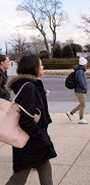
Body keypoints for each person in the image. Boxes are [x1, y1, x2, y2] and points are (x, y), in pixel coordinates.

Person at [6, 54, 57, 185]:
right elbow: (25, 120)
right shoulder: (30, 87)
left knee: (45, 170)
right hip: (30, 141)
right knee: (18, 178)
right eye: (40, 64)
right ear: (33, 67)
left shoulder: (33, 85)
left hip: (36, 140)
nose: (43, 66)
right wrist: (40, 136)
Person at [66, 57, 89, 124]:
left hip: (80, 90)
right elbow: (80, 81)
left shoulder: (80, 70)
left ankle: (71, 113)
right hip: (80, 90)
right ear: (84, 63)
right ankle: (81, 119)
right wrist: (84, 87)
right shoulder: (80, 71)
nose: (87, 64)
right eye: (86, 63)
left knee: (82, 104)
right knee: (83, 105)